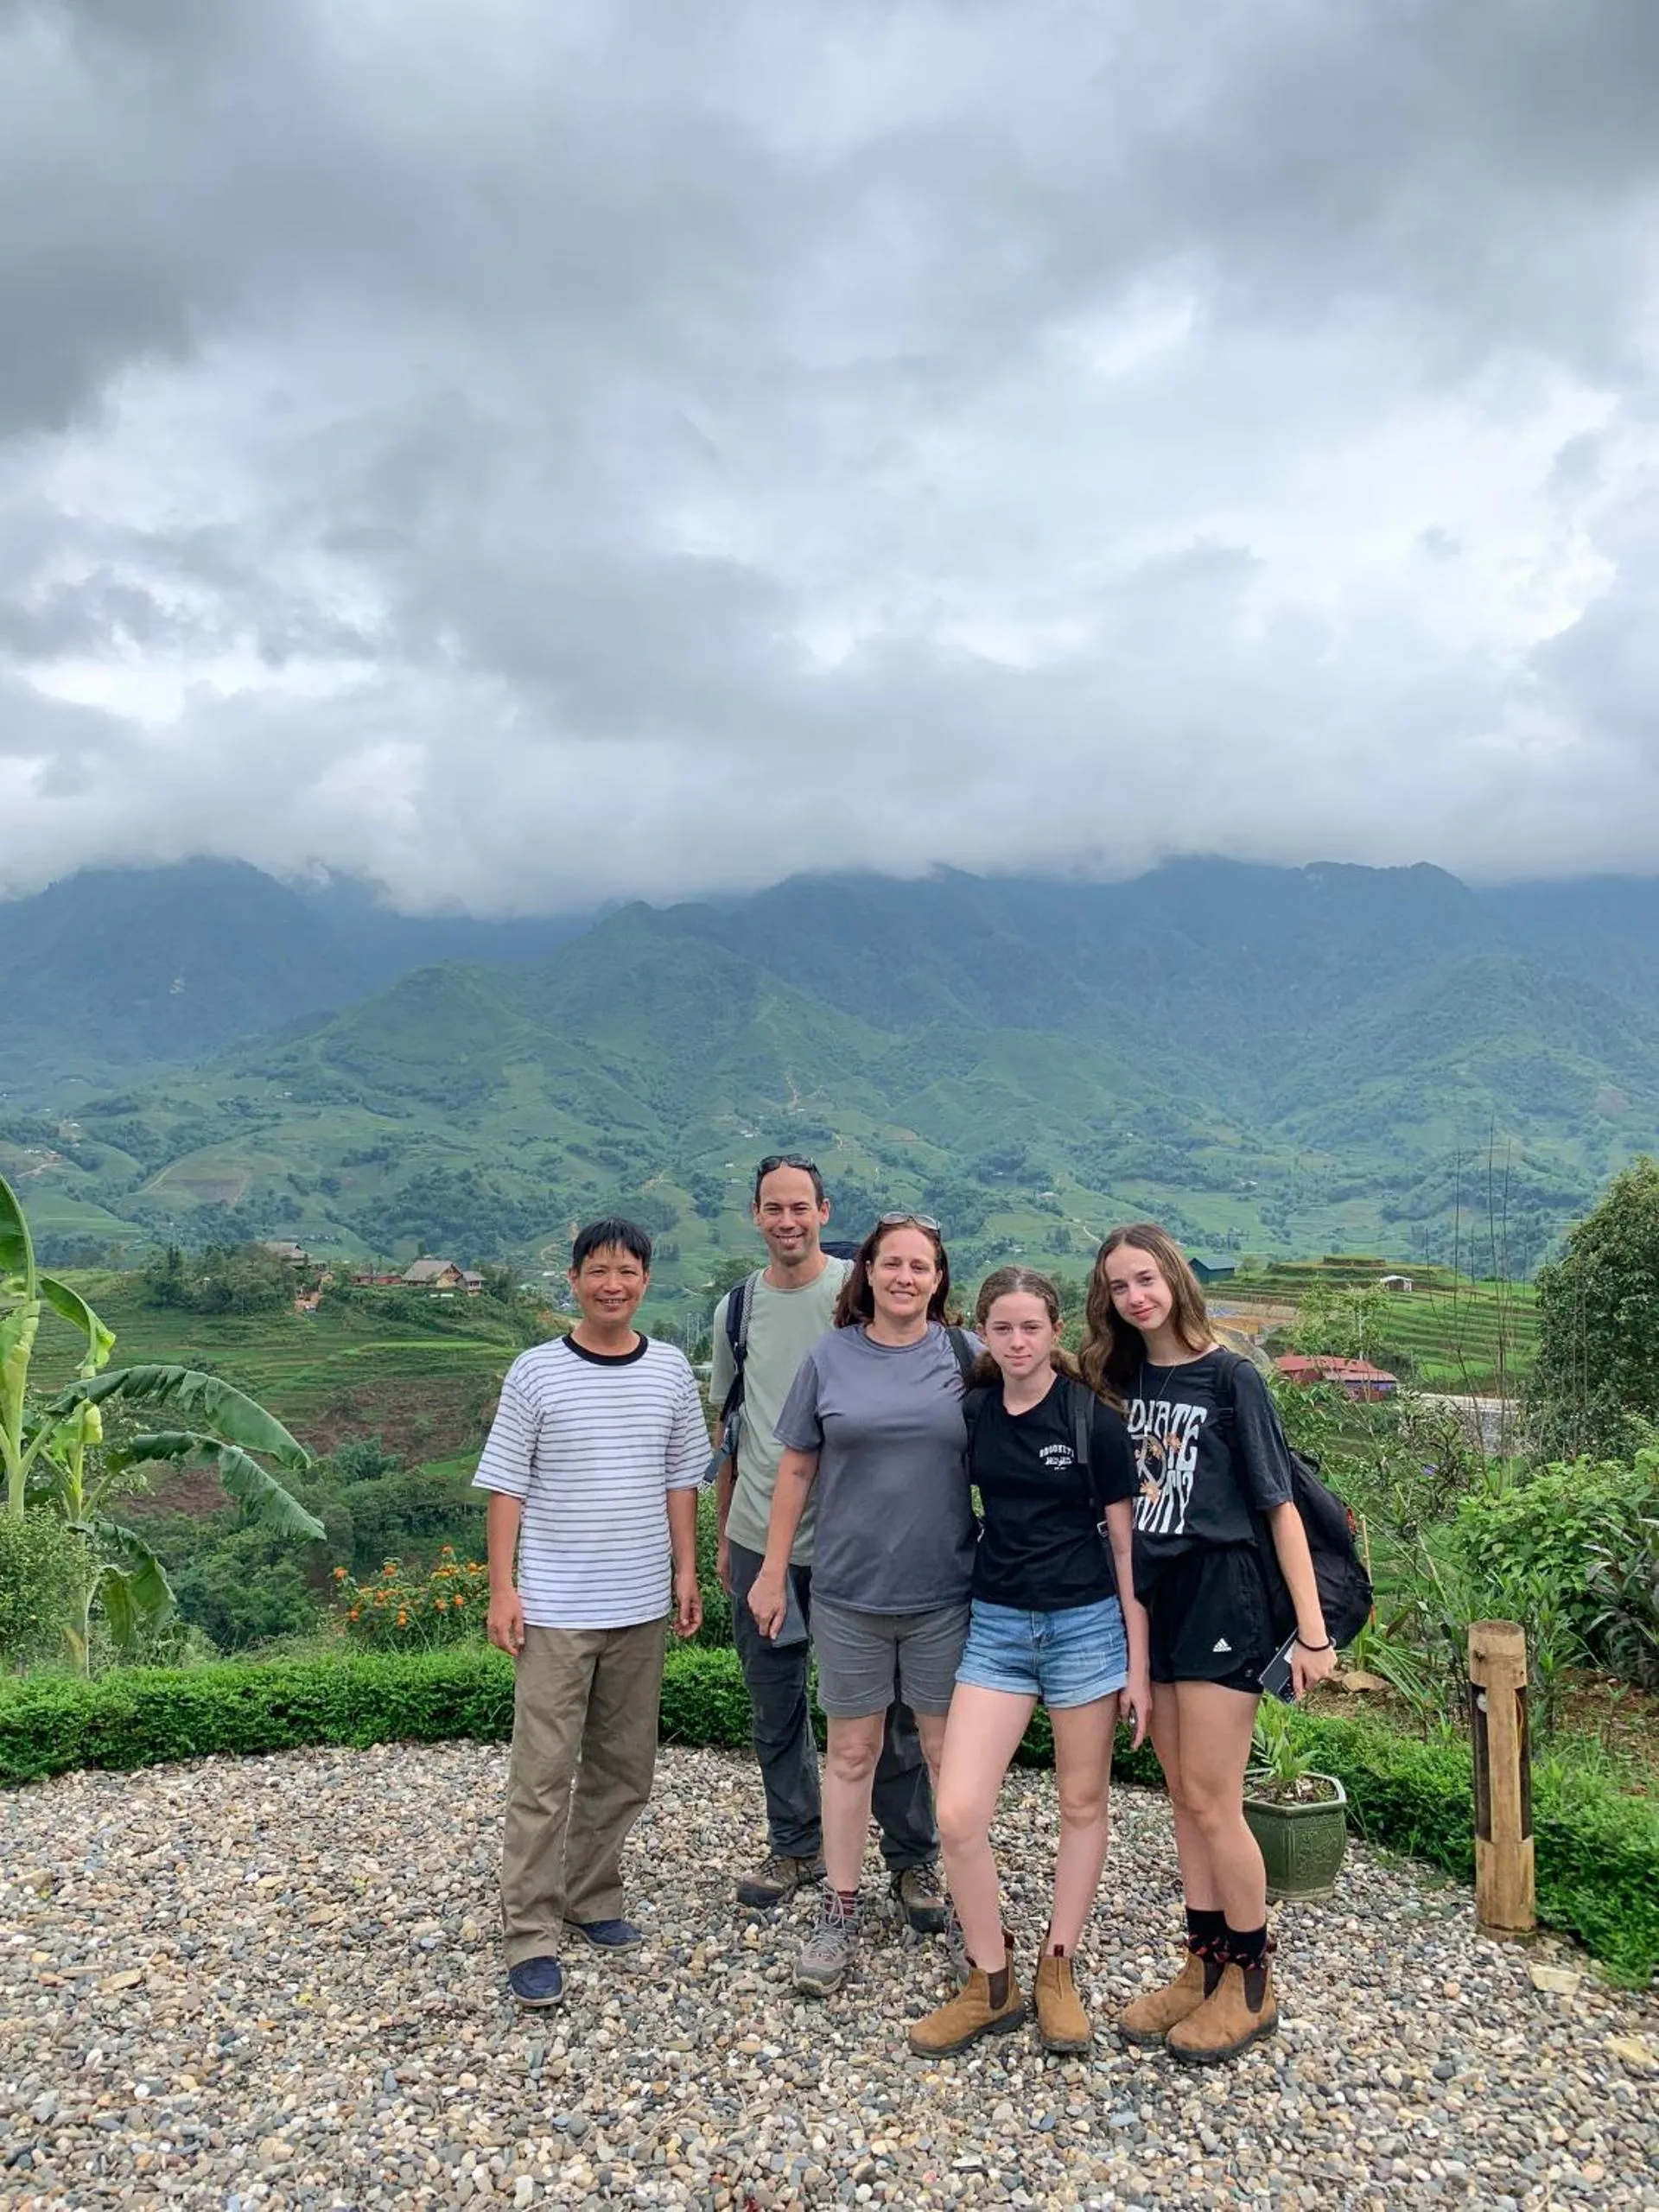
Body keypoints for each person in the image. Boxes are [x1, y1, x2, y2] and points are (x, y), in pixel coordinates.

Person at [1082, 1224, 1336, 2064]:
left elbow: (1279, 1505)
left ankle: (1252, 1981)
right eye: (1120, 1286)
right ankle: (1202, 1963)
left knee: (1213, 1796)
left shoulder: (1232, 1378)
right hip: (1159, 1599)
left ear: (1175, 1279)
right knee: (1185, 1798)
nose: (1136, 1296)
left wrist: (1313, 1632)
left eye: (1146, 1278)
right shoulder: (1124, 1377)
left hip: (1224, 1592)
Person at [907, 1266, 1151, 2058]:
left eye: (1031, 1328)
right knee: (959, 1811)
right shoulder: (973, 1413)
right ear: (984, 1332)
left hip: (1086, 1628)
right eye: (1002, 1329)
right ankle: (991, 1974)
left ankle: (1057, 1964)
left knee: (1083, 1804)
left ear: (1055, 1333)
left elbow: (1125, 1547)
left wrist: (1137, 1668)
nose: (1017, 1342)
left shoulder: (1093, 1420)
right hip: (999, 1626)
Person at [476, 1217, 706, 2010]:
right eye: (599, 1270)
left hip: (640, 1604)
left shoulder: (671, 1369)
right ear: (573, 1279)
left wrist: (686, 1571)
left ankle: (590, 1895)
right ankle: (530, 1933)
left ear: (647, 1281)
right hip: (556, 1608)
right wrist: (503, 1588)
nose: (614, 1284)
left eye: (628, 1271)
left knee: (624, 1768)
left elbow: (683, 1478)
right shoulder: (536, 1372)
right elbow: (507, 1483)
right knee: (542, 1775)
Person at [711, 1155, 944, 1924]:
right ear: (755, 1215)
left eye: (800, 1207)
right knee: (773, 1700)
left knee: (896, 1718)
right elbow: (732, 1429)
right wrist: (727, 1540)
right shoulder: (736, 1309)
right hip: (760, 1536)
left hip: (858, 1546)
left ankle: (912, 1860)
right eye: (773, 1208)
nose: (787, 1221)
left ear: (824, 1211)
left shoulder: (856, 1292)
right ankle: (796, 1841)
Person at [748, 1214, 976, 1997]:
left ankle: (963, 1909)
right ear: (867, 1273)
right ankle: (840, 1909)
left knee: (948, 1758)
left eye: (921, 1266)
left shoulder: (965, 1357)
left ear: (939, 1278)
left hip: (945, 1592)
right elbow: (795, 1474)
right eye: (892, 1264)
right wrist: (772, 1572)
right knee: (852, 1753)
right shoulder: (830, 1357)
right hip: (847, 1591)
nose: (905, 1277)